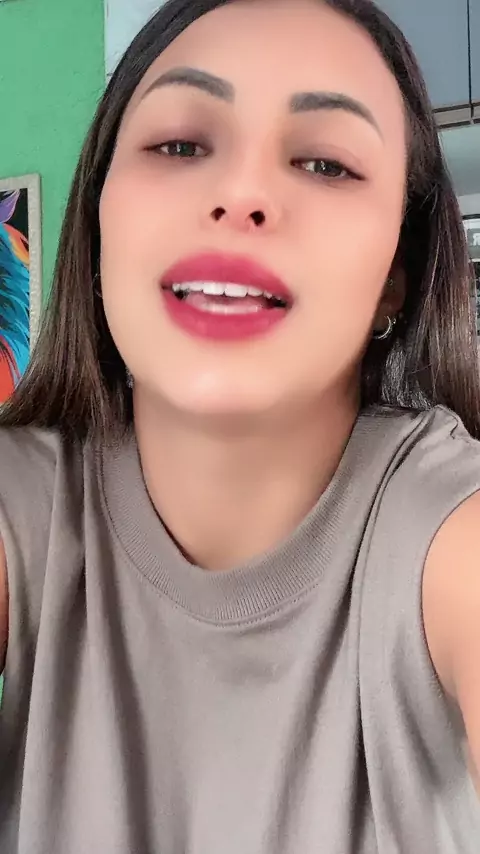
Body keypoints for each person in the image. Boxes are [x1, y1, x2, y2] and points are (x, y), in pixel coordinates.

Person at [0, 0, 480, 850]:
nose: (242, 195)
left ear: (396, 275)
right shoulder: (23, 503)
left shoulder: (446, 527)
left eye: (326, 163)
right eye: (181, 145)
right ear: (102, 218)